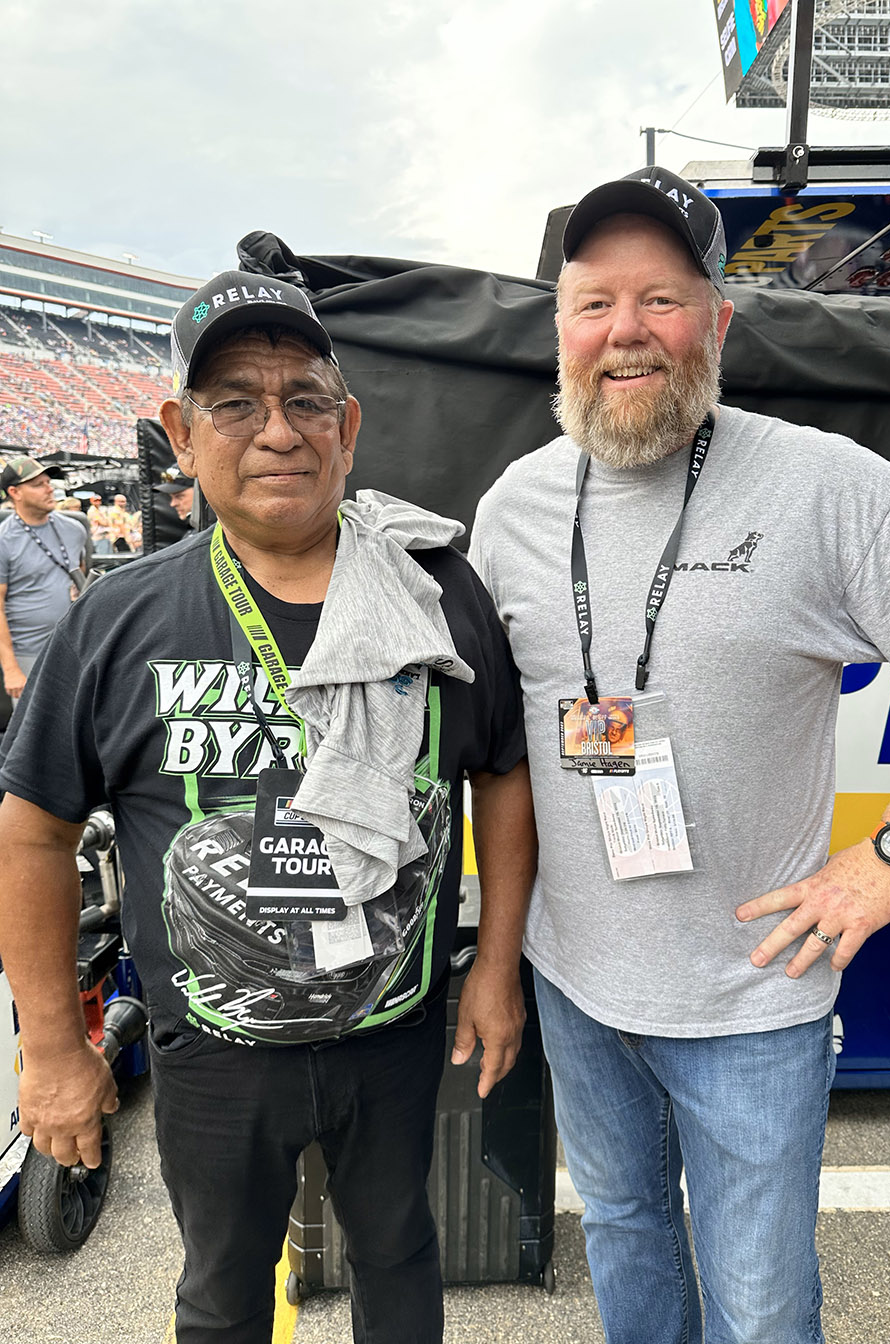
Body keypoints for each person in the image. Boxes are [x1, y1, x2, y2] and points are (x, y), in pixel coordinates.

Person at [469, 167, 890, 1344]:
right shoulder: (513, 508)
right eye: (594, 303)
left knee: (760, 1309)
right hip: (576, 983)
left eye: (660, 300)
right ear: (560, 331)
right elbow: (501, 756)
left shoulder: (826, 487)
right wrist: (501, 961)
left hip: (753, 1000)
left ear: (717, 323)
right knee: (623, 1235)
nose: (624, 331)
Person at [0, 270, 534, 1344]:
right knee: (223, 1292)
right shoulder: (119, 619)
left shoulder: (435, 595)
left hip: (393, 1030)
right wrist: (53, 1046)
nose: (278, 431)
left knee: (401, 1259)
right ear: (181, 435)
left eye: (305, 402)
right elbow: (34, 832)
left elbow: (503, 774)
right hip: (213, 1051)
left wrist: (496, 968)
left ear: (349, 429)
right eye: (235, 404)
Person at [0, 454, 88, 702]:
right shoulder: (4, 539)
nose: (49, 489)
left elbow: (80, 577)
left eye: (48, 482)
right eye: (38, 485)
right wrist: (11, 668)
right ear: (15, 492)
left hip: (75, 647)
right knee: (34, 723)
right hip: (28, 653)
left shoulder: (75, 529)